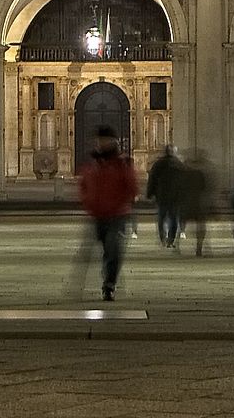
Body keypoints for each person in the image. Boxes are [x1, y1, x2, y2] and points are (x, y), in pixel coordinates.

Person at [77, 125, 139, 301]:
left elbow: (132, 186)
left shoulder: (122, 163)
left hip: (117, 214)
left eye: (104, 140)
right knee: (106, 249)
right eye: (99, 140)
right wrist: (89, 201)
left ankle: (109, 284)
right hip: (98, 214)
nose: (101, 143)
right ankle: (108, 275)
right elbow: (84, 185)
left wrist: (122, 203)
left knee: (113, 248)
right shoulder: (93, 163)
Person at [147, 145, 185, 247]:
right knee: (174, 219)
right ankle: (170, 240)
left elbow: (152, 180)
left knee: (162, 218)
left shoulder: (158, 164)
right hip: (175, 197)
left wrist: (150, 193)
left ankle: (163, 238)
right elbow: (184, 182)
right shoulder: (179, 164)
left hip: (162, 196)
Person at [180, 154, 213, 255]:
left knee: (183, 224)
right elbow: (205, 188)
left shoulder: (184, 175)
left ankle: (177, 246)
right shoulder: (200, 174)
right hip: (198, 202)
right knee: (200, 227)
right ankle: (200, 247)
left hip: (188, 203)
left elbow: (181, 189)